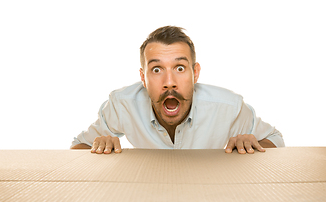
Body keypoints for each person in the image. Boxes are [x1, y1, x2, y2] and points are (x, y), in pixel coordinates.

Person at [71, 26, 285, 154]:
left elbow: (276, 139)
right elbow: (77, 146)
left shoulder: (228, 107)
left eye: (180, 68)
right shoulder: (122, 104)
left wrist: (252, 143)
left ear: (196, 73)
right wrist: (97, 148)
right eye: (156, 69)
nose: (169, 82)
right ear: (143, 78)